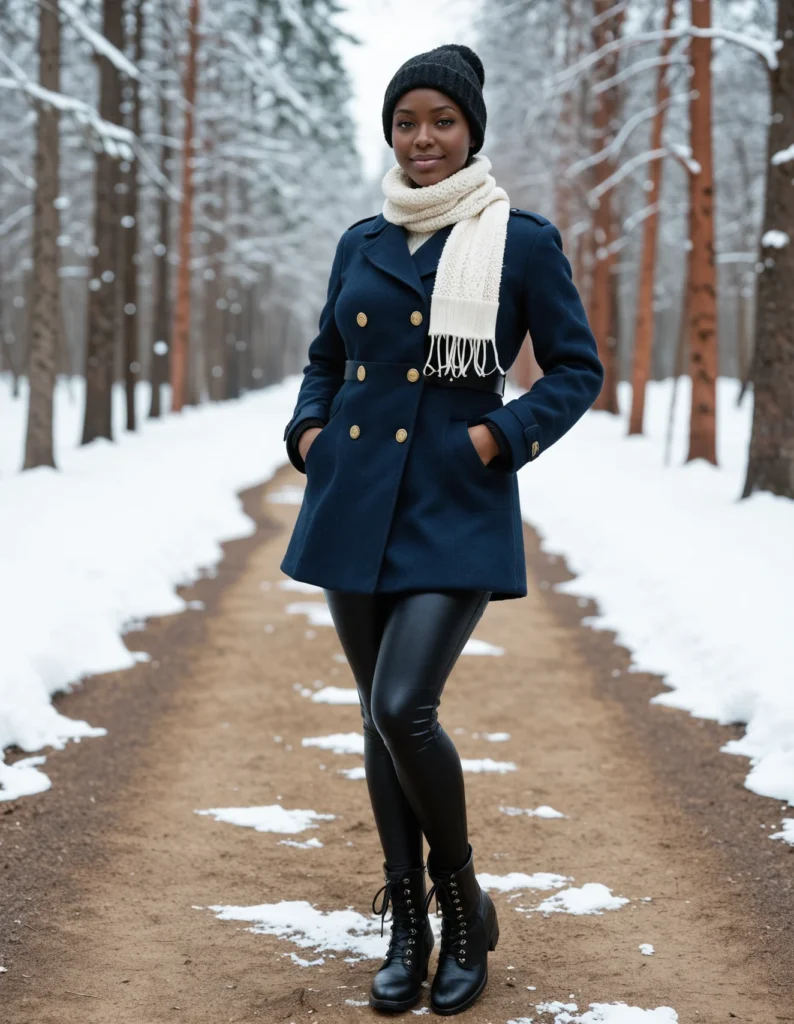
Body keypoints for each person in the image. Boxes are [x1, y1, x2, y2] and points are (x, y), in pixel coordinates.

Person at [280, 43, 603, 1016]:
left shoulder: (522, 241)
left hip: (453, 503)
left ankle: (460, 903)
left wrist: (497, 437)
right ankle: (405, 922)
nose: (421, 139)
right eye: (406, 121)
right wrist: (307, 435)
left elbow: (576, 369)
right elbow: (325, 355)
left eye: (440, 122)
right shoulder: (360, 238)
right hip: (351, 501)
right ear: (391, 131)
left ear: (470, 133)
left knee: (405, 702)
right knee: (376, 714)